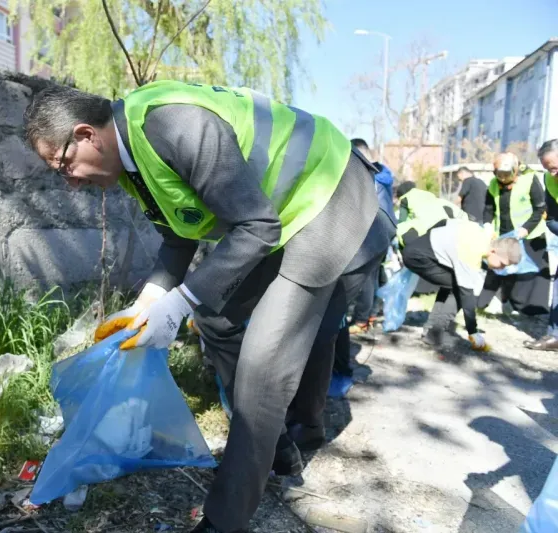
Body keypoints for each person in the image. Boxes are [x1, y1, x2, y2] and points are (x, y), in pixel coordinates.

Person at [24, 81, 395, 533]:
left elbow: (256, 227)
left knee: (264, 364)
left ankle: (225, 520)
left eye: (63, 165)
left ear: (86, 135)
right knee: (216, 317)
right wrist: (150, 302)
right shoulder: (133, 161)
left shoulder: (173, 125)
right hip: (278, 215)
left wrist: (179, 301)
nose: (69, 181)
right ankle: (273, 443)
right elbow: (178, 235)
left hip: (325, 198)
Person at [402, 218, 521, 350]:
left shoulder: (483, 234)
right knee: (459, 289)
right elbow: (467, 296)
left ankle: (431, 330)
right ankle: (433, 334)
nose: (501, 269)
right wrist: (472, 331)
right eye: (502, 264)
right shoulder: (473, 252)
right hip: (418, 257)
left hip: (418, 249)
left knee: (453, 283)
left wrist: (430, 240)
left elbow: (444, 221)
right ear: (493, 252)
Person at [478, 152, 550, 316]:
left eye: (507, 174)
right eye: (499, 175)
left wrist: (525, 229)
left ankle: (529, 310)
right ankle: (490, 303)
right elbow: (488, 209)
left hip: (529, 235)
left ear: (515, 171)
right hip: (503, 236)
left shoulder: (530, 179)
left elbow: (540, 208)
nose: (503, 179)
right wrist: (488, 225)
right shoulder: (493, 184)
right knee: (499, 269)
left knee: (527, 275)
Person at [346, 138, 396, 334]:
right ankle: (370, 314)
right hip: (385, 228)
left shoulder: (366, 174)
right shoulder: (383, 173)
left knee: (364, 277)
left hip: (371, 229)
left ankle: (361, 320)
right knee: (372, 275)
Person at [525, 139, 558, 351]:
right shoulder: (549, 179)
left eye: (555, 168)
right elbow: (551, 219)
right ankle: (555, 335)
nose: (553, 174)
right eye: (549, 169)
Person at [396, 181, 464, 248]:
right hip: (444, 226)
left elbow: (402, 220)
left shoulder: (405, 198)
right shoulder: (428, 194)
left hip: (426, 230)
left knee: (401, 229)